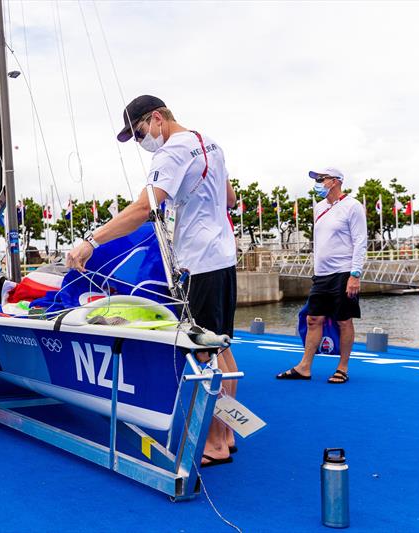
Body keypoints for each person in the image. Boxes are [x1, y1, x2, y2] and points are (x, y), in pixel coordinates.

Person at [65, 95, 239, 467]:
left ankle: (212, 443)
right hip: (224, 257)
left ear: (157, 118)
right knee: (222, 346)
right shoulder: (210, 143)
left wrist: (92, 241)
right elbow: (230, 198)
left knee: (201, 352)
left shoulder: (171, 153)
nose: (143, 142)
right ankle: (226, 433)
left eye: (141, 131)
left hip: (199, 262)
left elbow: (145, 207)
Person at [277, 168, 367, 384]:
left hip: (344, 272)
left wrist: (355, 274)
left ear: (334, 182)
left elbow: (360, 241)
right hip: (322, 274)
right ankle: (305, 366)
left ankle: (342, 368)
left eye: (321, 179)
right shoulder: (319, 207)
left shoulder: (352, 206)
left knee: (343, 320)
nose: (317, 183)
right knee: (313, 318)